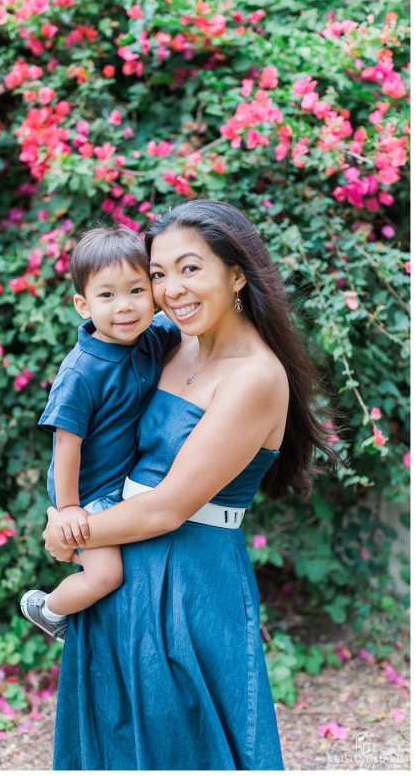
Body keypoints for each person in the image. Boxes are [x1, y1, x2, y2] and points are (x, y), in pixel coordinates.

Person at [43, 200, 337, 770]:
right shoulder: (167, 339)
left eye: (190, 268)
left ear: (237, 272)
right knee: (115, 739)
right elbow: (87, 408)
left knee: (182, 743)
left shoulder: (255, 376)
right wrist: (67, 508)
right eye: (159, 274)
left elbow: (168, 509)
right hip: (119, 571)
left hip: (188, 585)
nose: (172, 289)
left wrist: (71, 534)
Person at [21, 226, 180, 641]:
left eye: (136, 291)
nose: (124, 307)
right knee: (106, 575)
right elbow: (66, 442)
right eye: (107, 296)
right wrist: (69, 508)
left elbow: (183, 324)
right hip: (88, 492)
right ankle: (48, 608)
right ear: (82, 304)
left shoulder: (151, 338)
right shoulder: (81, 371)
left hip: (124, 485)